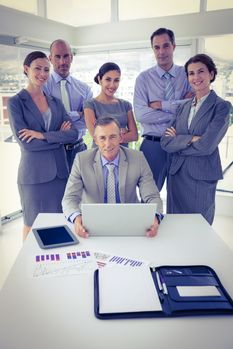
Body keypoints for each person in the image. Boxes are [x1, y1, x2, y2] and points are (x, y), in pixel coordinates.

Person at [7, 51, 79, 240]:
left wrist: (42, 135)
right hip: (34, 176)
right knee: (31, 226)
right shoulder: (16, 103)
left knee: (59, 224)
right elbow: (27, 144)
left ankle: (55, 267)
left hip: (59, 174)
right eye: (37, 68)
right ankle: (28, 267)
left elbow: (73, 134)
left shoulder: (55, 102)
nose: (42, 73)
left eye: (46, 69)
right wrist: (58, 137)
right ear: (26, 69)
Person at [62, 117, 163, 238]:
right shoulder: (81, 160)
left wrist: (155, 217)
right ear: (95, 140)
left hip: (130, 224)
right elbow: (70, 198)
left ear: (120, 137)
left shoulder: (138, 158)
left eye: (112, 137)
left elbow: (152, 196)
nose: (108, 144)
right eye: (102, 138)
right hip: (92, 226)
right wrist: (77, 219)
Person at [161, 54, 231, 224]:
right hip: (177, 174)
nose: (196, 77)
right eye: (191, 73)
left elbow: (207, 145)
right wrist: (192, 138)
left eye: (201, 71)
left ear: (211, 74)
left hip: (200, 174)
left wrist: (179, 139)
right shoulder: (183, 107)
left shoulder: (221, 106)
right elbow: (165, 142)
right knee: (175, 226)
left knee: (199, 226)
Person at [133, 28, 193, 191]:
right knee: (149, 196)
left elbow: (193, 108)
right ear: (152, 49)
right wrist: (179, 108)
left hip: (180, 144)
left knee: (180, 195)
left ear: (173, 46)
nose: (161, 52)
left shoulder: (187, 74)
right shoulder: (143, 79)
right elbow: (141, 114)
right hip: (153, 146)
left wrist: (162, 105)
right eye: (156, 47)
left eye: (165, 46)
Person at [44, 39, 93, 171]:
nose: (62, 62)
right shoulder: (43, 88)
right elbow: (48, 122)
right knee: (57, 192)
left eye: (66, 56)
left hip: (80, 150)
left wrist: (61, 125)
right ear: (50, 58)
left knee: (82, 191)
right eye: (57, 57)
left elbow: (89, 122)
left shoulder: (85, 89)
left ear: (71, 57)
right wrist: (77, 114)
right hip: (54, 151)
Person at [84, 62, 138, 146]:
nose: (112, 85)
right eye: (108, 79)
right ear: (99, 79)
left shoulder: (126, 105)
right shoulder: (90, 105)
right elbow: (96, 137)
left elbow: (134, 135)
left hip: (123, 155)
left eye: (116, 80)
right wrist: (121, 134)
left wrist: (108, 135)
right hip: (100, 155)